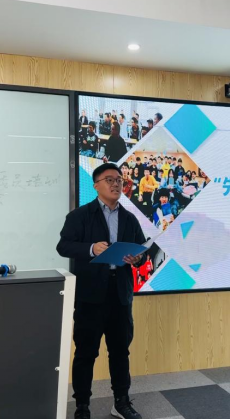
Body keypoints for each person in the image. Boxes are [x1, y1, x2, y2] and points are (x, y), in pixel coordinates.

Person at [57, 163, 145, 420]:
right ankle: (82, 406)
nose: (116, 184)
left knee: (120, 351)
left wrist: (137, 258)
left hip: (120, 294)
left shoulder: (129, 218)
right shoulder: (80, 216)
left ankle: (121, 402)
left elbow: (141, 248)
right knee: (86, 353)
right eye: (109, 179)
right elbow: (63, 246)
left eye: (119, 180)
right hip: (90, 295)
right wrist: (91, 248)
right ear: (96, 185)